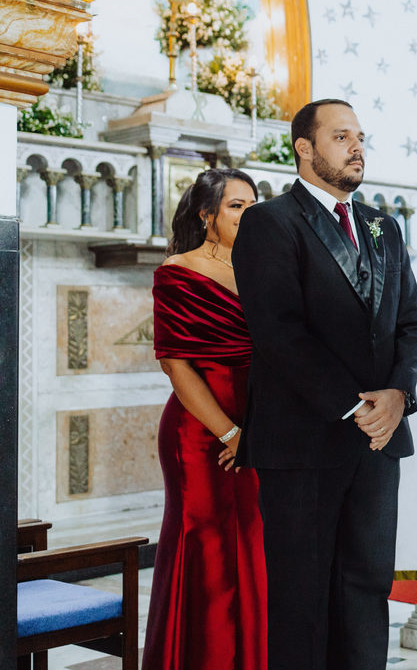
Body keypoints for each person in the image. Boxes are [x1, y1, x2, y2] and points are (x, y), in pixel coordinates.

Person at [231, 99, 417, 669]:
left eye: (360, 136)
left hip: (378, 438)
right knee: (303, 596)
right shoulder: (270, 223)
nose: (357, 147)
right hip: (304, 439)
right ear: (305, 148)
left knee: (368, 585)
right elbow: (279, 332)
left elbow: (411, 324)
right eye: (342, 137)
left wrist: (398, 395)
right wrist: (354, 405)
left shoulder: (383, 226)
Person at [144, 168, 267, 669]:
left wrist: (258, 430)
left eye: (254, 205)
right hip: (200, 432)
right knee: (209, 549)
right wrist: (232, 432)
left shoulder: (265, 267)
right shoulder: (178, 270)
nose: (249, 214)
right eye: (236, 206)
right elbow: (176, 364)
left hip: (261, 428)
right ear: (206, 214)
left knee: (255, 543)